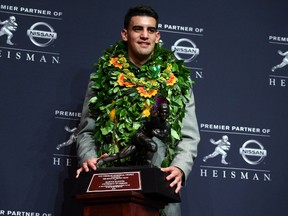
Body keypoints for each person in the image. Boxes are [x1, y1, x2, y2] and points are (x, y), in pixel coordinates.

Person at [76, 4, 200, 216]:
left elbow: (189, 137)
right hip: (111, 189)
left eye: (150, 30)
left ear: (157, 36)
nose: (145, 36)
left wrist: (179, 168)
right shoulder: (102, 78)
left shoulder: (178, 81)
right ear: (125, 34)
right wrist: (89, 158)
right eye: (138, 29)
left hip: (158, 192)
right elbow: (87, 132)